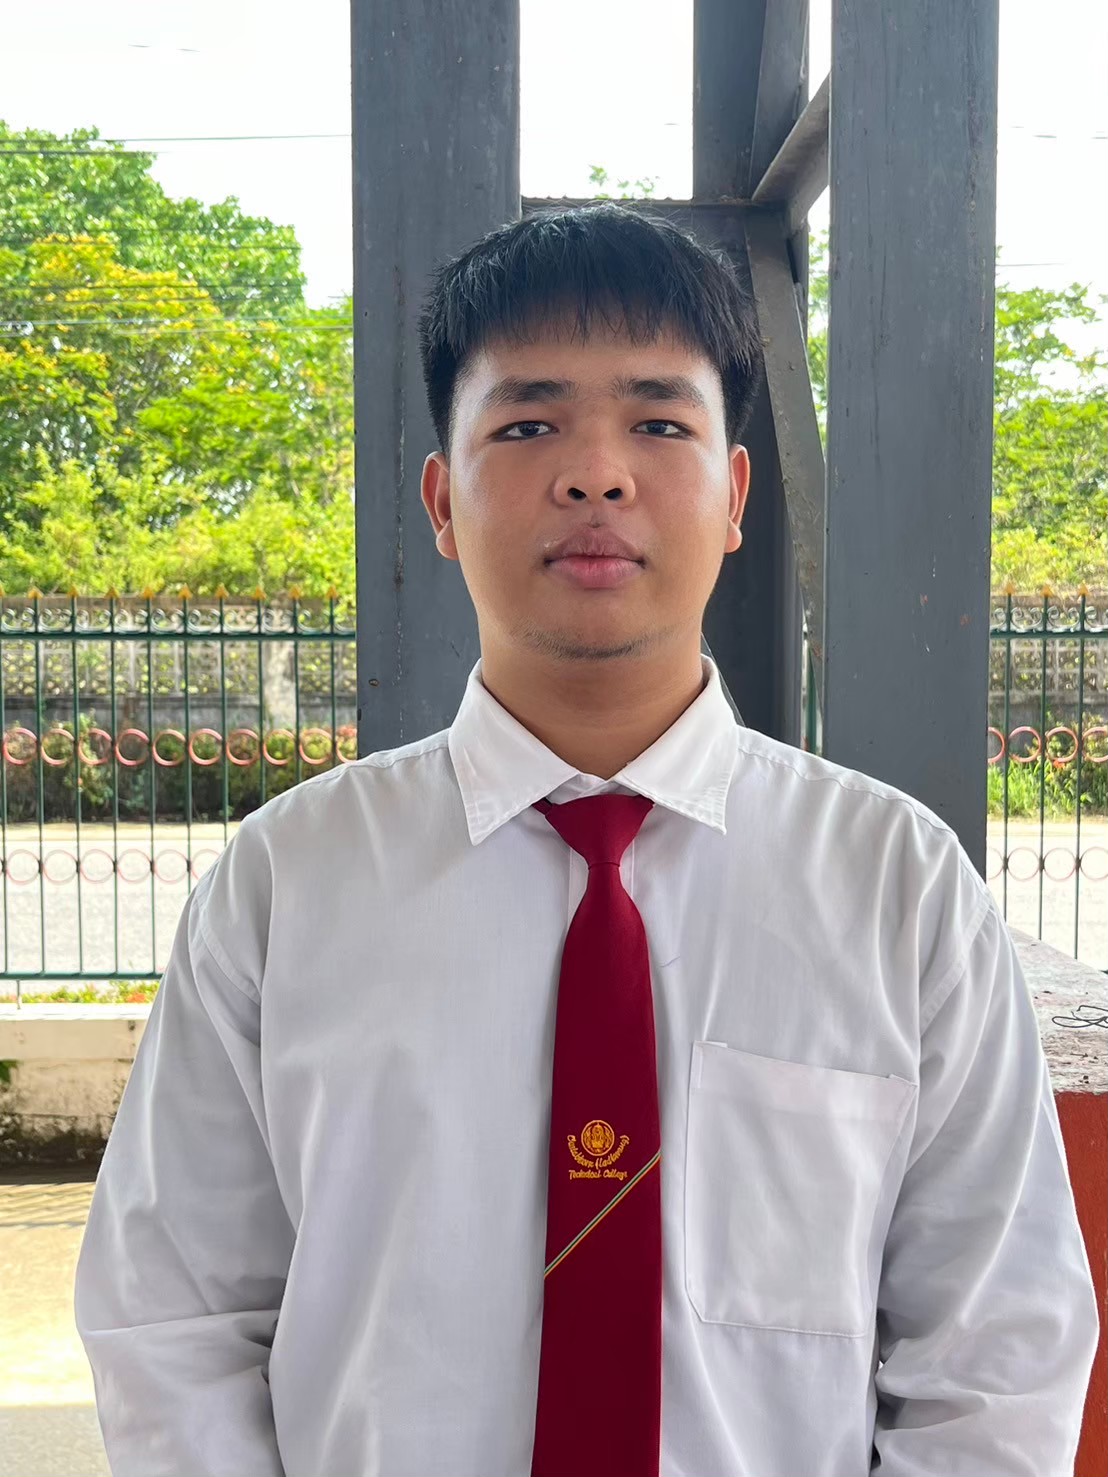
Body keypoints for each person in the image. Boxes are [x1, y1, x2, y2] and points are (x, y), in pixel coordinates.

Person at [74, 202, 1100, 1477]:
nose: (596, 474)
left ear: (734, 495)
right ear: (441, 501)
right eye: (528, 424)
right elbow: (172, 1315)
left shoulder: (895, 885)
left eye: (658, 422)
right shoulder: (288, 883)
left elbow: (996, 1347)